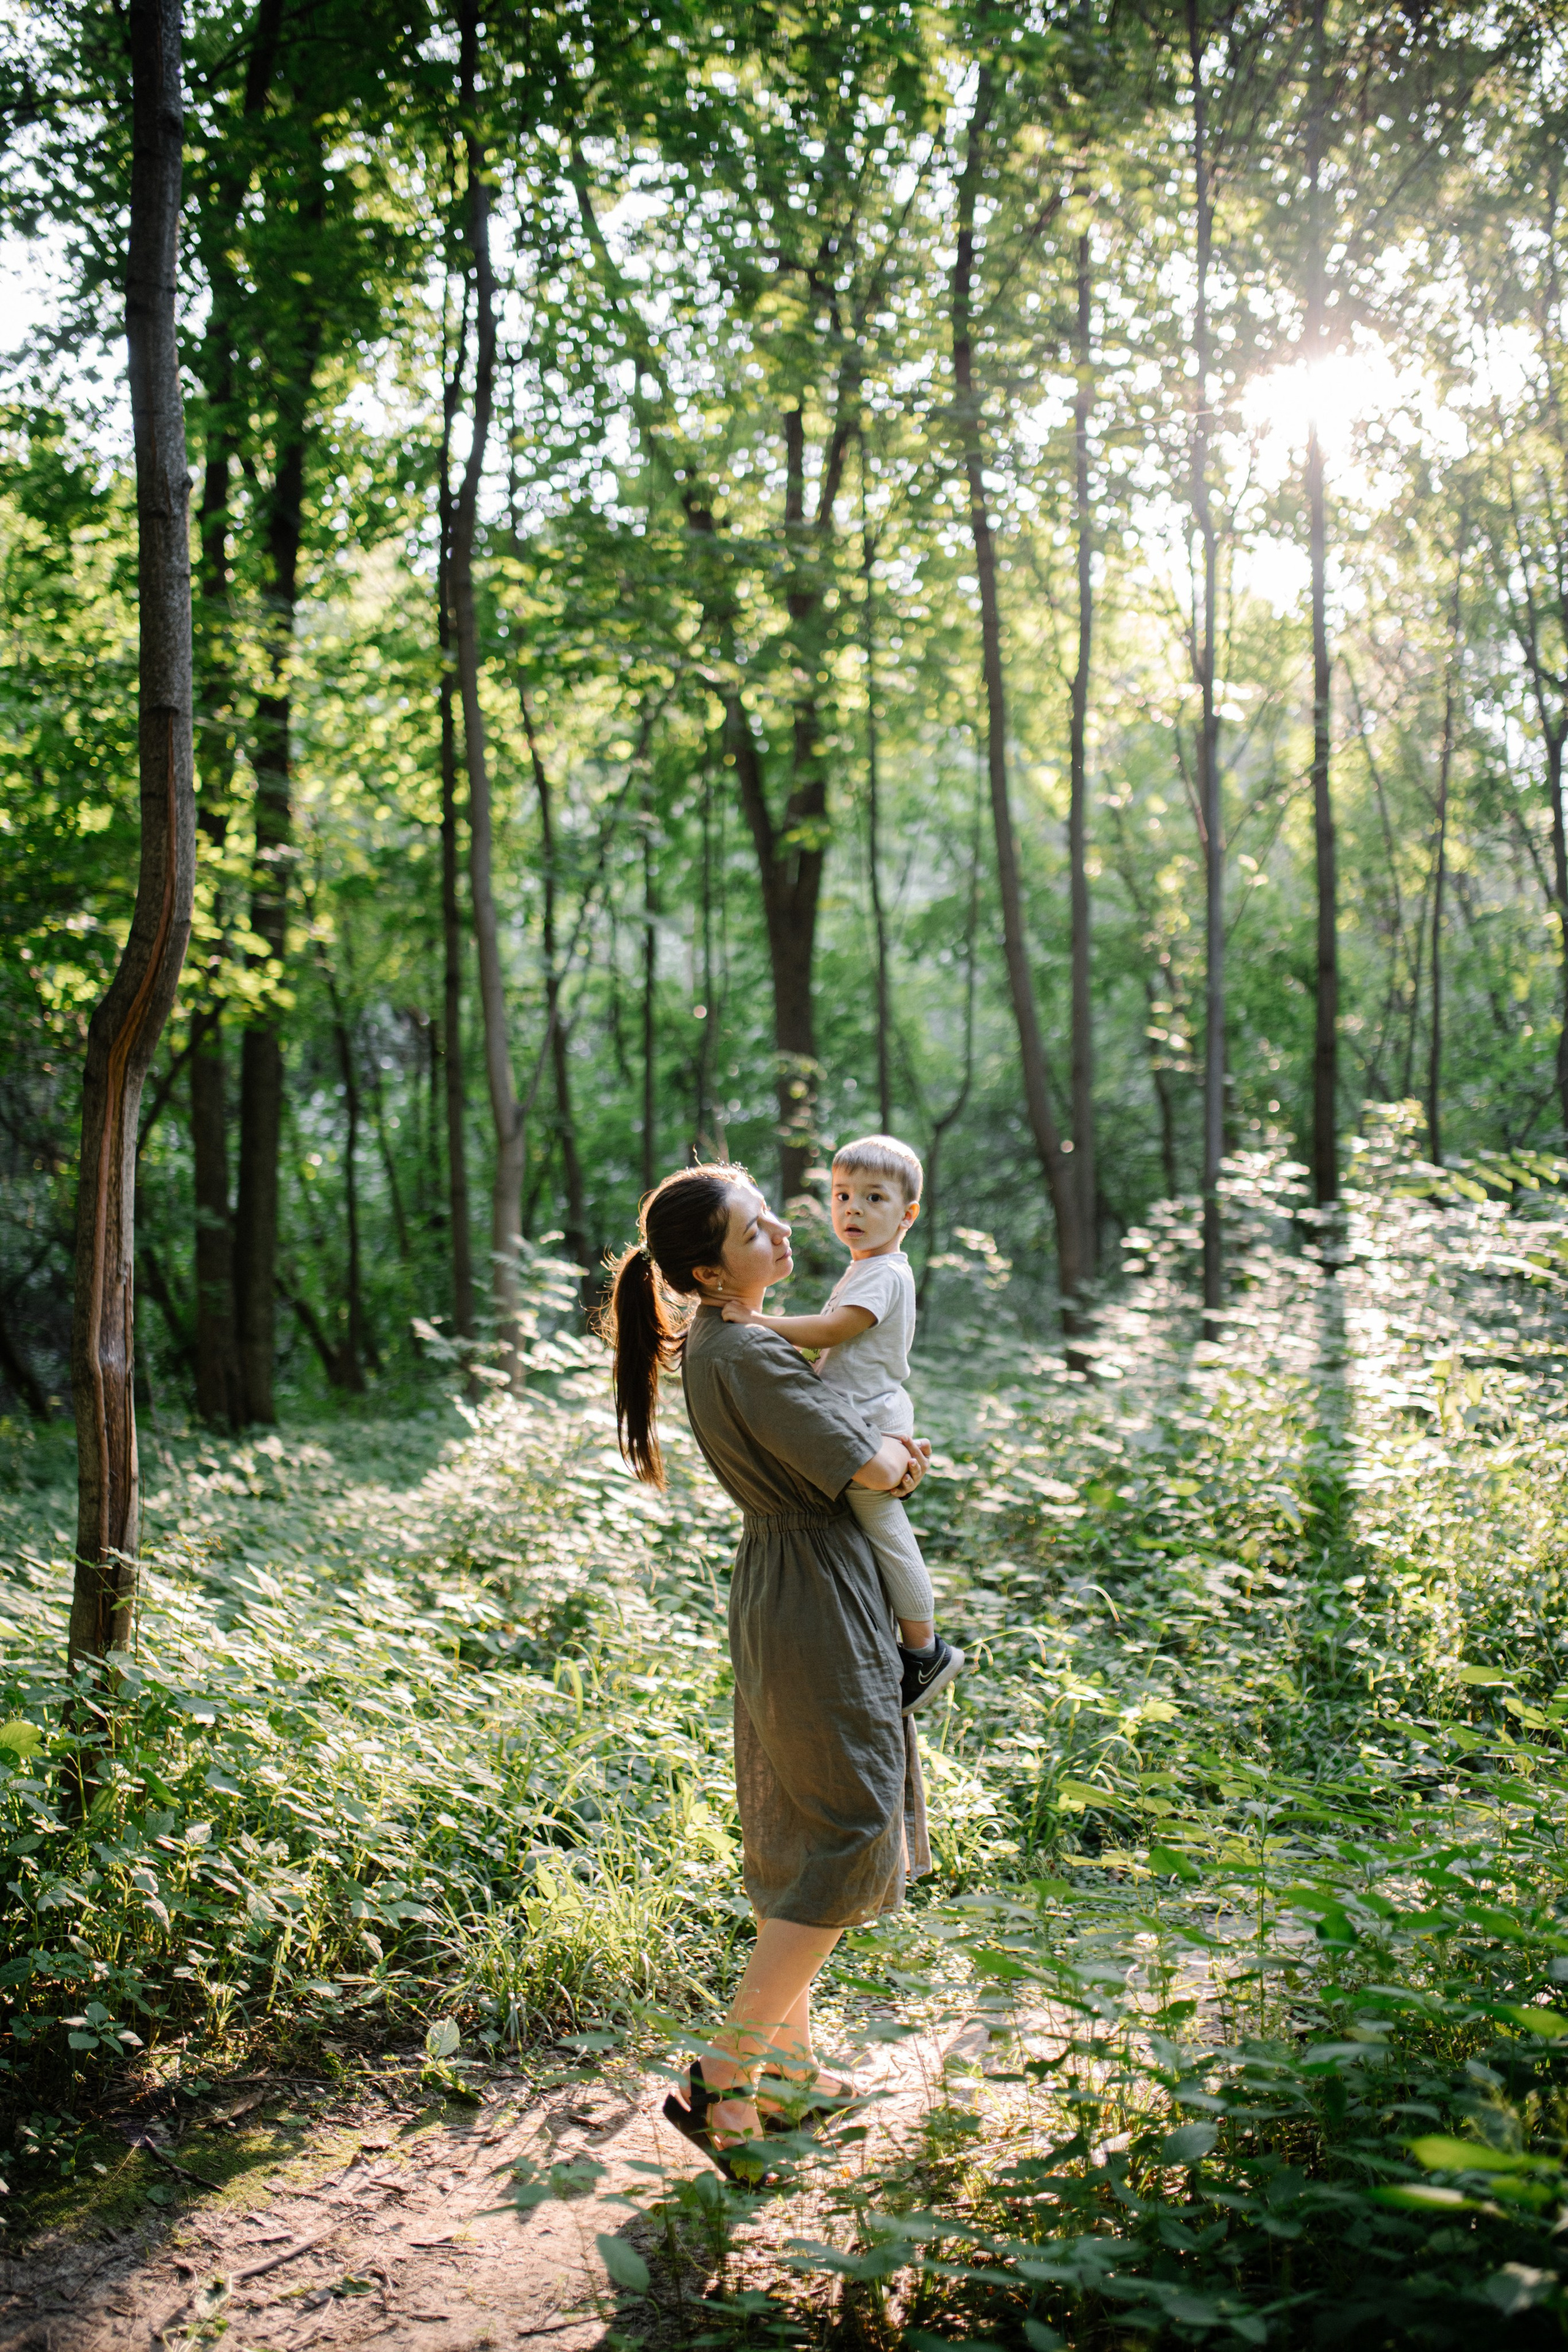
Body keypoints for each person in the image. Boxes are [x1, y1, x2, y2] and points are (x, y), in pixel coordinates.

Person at [604, 1162, 932, 2182]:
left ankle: (788, 2074)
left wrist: (883, 1454)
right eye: (755, 1235)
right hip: (813, 1590)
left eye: (773, 1223)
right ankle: (726, 2073)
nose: (785, 1242)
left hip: (786, 1579)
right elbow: (874, 1468)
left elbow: (860, 1458)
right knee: (853, 1823)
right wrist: (894, 1455)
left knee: (801, 1823)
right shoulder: (750, 1352)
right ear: (708, 1272)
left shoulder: (723, 1339)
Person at [719, 1134, 963, 1715]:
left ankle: (926, 1650)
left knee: (885, 1525)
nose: (853, 1209)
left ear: (907, 1215)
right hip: (862, 1409)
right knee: (870, 1526)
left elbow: (834, 1332)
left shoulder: (882, 1274)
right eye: (842, 1195)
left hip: (871, 1414)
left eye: (874, 1198)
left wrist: (759, 1322)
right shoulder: (867, 1268)